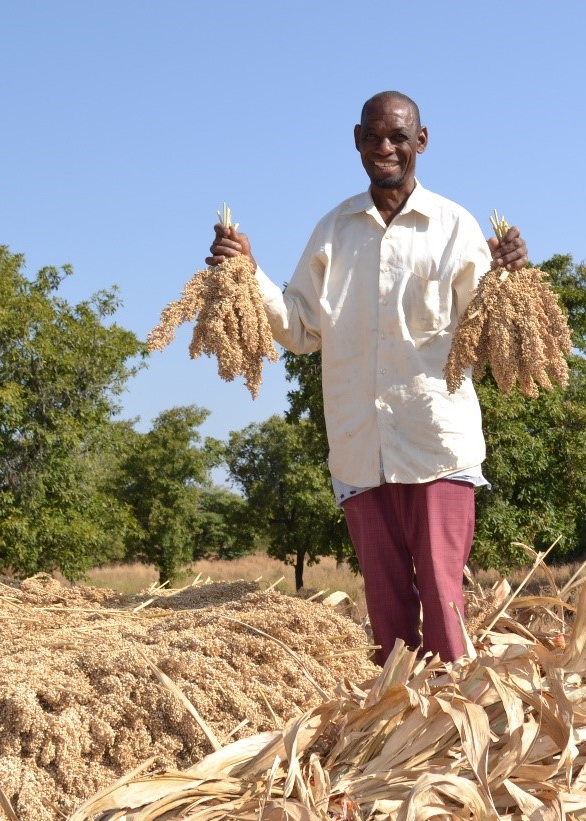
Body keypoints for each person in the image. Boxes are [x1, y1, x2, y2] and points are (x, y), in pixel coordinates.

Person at [206, 90, 528, 665]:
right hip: (359, 451)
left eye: (399, 137)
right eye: (374, 137)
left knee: (443, 601)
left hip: (436, 448)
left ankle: (457, 729)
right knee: (387, 616)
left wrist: (509, 286)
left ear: (420, 143)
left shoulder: (455, 227)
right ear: (357, 141)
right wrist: (247, 271)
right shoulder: (333, 232)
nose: (386, 148)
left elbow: (484, 337)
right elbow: (300, 328)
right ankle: (395, 736)